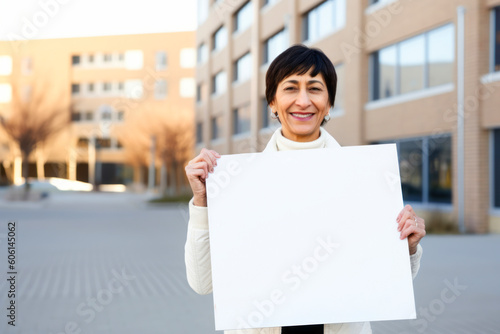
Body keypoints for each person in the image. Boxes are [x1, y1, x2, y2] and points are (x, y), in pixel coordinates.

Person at [184, 44, 426, 334]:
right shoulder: (239, 186)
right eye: (290, 88)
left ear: (329, 102)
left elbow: (380, 286)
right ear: (272, 102)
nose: (303, 100)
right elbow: (202, 284)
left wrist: (406, 249)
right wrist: (202, 203)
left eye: (314, 88)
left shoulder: (364, 181)